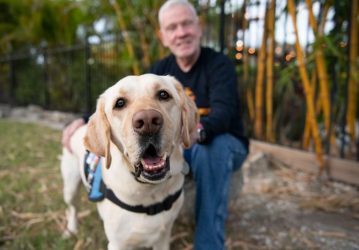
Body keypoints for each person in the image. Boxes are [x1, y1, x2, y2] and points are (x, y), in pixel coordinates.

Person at [62, 0, 249, 249]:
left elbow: (224, 114)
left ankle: (208, 244)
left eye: (186, 24)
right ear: (163, 37)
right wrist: (83, 120)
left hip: (222, 142)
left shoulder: (220, 65)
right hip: (183, 141)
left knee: (210, 148)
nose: (181, 32)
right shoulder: (161, 69)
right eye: (172, 27)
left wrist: (195, 132)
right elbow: (125, 99)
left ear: (199, 27)